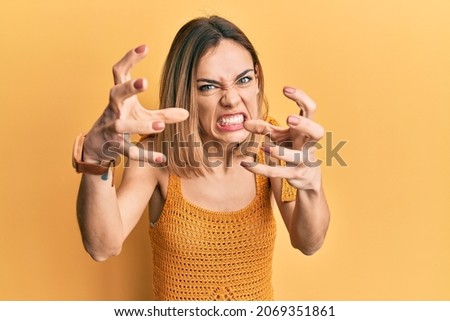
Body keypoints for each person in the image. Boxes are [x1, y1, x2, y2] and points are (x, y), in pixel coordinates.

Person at [73, 15, 330, 301]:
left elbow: (309, 242)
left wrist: (312, 186)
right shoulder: (155, 155)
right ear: (185, 93)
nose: (231, 99)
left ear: (257, 79)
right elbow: (102, 246)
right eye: (208, 86)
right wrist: (95, 159)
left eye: (243, 80)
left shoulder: (273, 143)